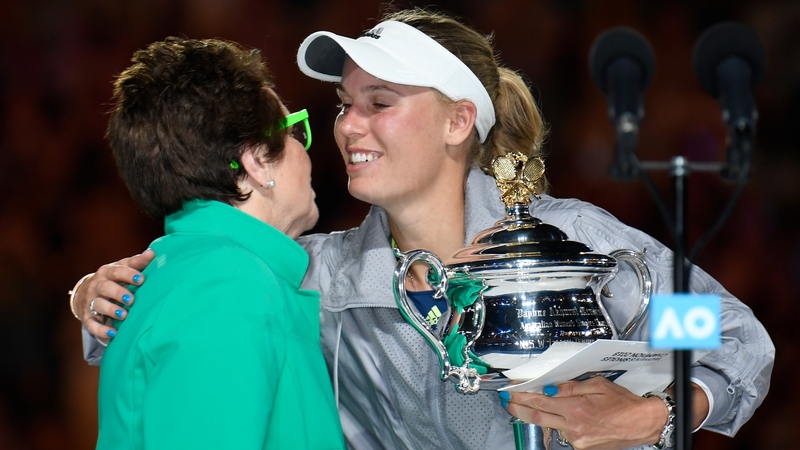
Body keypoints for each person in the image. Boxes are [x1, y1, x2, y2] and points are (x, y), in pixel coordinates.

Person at [71, 8, 773, 450]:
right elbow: (196, 304)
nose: (347, 126)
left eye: (379, 103)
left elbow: (725, 337)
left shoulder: (579, 249)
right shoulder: (318, 276)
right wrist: (95, 296)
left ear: (458, 122)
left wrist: (654, 416)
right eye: (344, 104)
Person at [88, 37, 343, 449]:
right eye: (293, 131)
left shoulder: (189, 271)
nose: (304, 149)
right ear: (257, 162)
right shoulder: (231, 285)